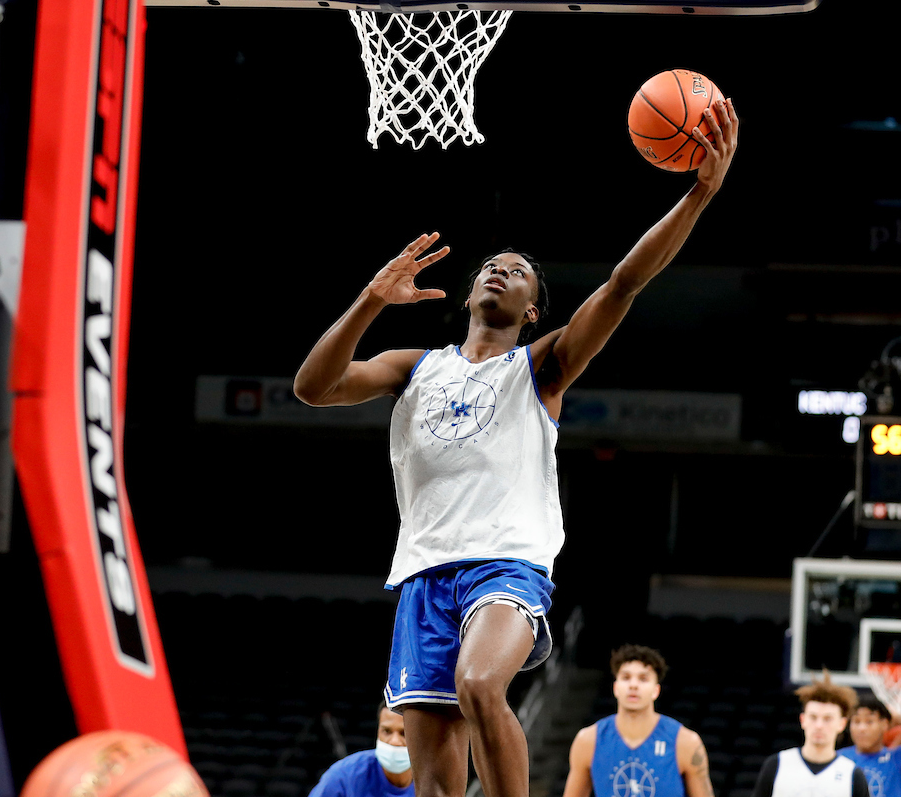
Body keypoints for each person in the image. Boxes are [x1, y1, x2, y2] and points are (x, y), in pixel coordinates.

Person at [293, 95, 739, 797]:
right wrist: (371, 299)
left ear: (532, 309)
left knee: (479, 681)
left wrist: (699, 195)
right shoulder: (415, 366)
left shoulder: (539, 366)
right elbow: (313, 387)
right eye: (490, 266)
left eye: (519, 271)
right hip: (422, 578)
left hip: (506, 566)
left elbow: (624, 284)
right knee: (438, 787)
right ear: (469, 292)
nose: (500, 270)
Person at [561, 645, 714, 797]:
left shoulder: (686, 743)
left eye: (643, 679)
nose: (633, 685)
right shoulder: (588, 741)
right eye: (626, 678)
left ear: (656, 691)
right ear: (615, 688)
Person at [750, 673, 870, 797]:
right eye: (813, 717)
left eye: (827, 718)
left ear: (842, 724)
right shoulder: (777, 764)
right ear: (803, 720)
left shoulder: (852, 775)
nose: (819, 725)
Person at [308, 702, 415, 797]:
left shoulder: (430, 780)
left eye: (404, 733)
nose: (394, 741)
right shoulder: (343, 776)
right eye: (387, 731)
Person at [839, 694, 901, 797]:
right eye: (856, 721)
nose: (862, 728)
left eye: (869, 721)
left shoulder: (896, 758)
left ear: (884, 724)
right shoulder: (838, 758)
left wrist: (897, 717)